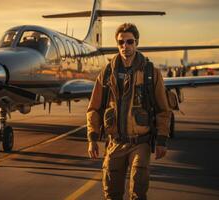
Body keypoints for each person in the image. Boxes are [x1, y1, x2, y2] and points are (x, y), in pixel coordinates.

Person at [86, 23, 171, 200]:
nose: (125, 46)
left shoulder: (150, 73)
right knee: (111, 193)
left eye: (129, 42)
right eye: (121, 42)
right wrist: (92, 138)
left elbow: (163, 109)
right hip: (115, 143)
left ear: (136, 43)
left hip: (140, 142)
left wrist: (162, 139)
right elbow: (94, 107)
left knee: (138, 191)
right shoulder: (107, 72)